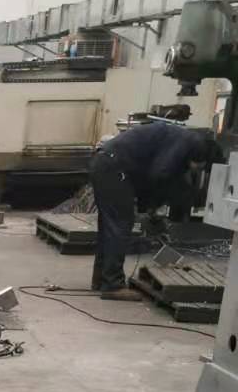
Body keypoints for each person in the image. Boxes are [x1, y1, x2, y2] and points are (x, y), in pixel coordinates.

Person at [89, 123, 217, 299]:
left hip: (104, 163)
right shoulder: (188, 143)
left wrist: (151, 206)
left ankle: (101, 279)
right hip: (113, 168)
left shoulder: (181, 139)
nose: (198, 170)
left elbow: (157, 171)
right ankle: (112, 284)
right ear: (202, 157)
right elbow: (160, 173)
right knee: (120, 224)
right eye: (200, 167)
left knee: (108, 226)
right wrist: (153, 206)